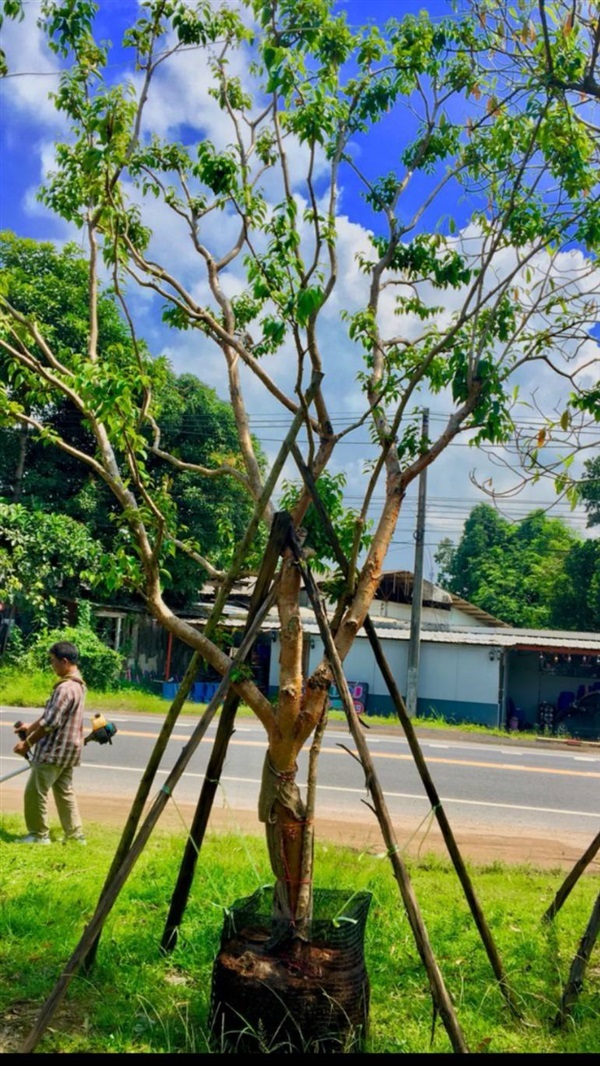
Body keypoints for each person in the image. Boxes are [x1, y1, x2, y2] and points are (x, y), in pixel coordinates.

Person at [13, 640, 87, 845]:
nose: (52, 665)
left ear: (64, 661)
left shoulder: (65, 689)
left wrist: (27, 743)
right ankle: (75, 835)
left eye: (53, 661)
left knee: (35, 792)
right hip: (69, 751)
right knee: (64, 791)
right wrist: (30, 727)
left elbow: (50, 723)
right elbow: (48, 716)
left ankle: (38, 835)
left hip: (54, 750)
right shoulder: (79, 685)